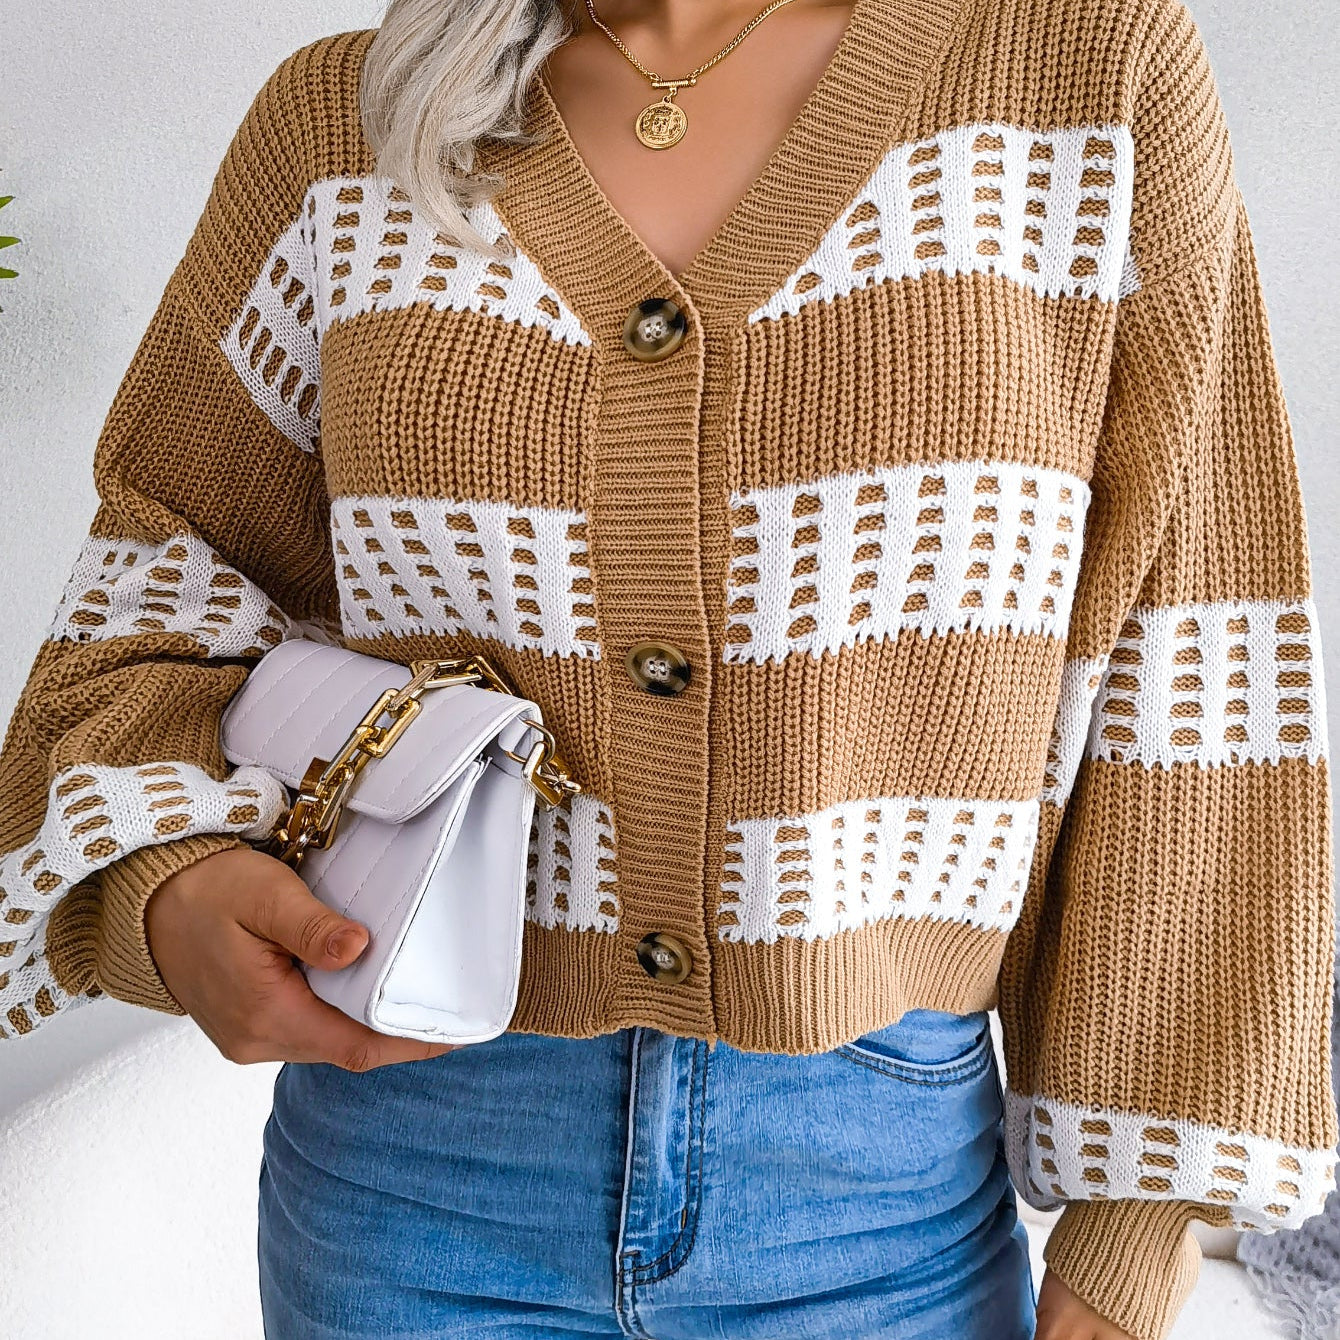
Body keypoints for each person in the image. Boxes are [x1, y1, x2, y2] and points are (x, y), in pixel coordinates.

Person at [2, 0, 1335, 1337]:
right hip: (413, 1184)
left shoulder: (1082, 74)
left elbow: (1197, 654)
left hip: (877, 1211)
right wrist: (169, 893)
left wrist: (1131, 1243)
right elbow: (159, 594)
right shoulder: (341, 127)